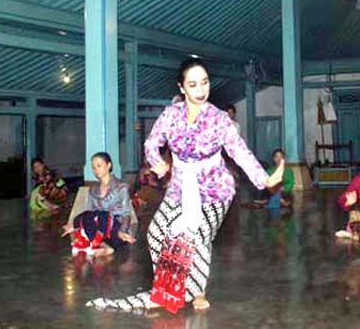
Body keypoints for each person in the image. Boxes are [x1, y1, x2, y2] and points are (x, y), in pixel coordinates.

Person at [87, 57, 283, 314]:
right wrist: (157, 162)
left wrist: (264, 179)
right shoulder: (171, 115)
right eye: (193, 84)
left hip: (214, 191)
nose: (201, 90)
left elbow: (240, 152)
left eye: (205, 83)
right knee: (156, 233)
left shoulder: (218, 119)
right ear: (182, 88)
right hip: (180, 186)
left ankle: (198, 290)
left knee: (196, 235)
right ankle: (171, 285)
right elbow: (151, 144)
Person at [62, 152, 135, 257]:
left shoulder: (121, 187)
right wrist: (74, 225)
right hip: (99, 227)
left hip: (115, 226)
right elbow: (88, 212)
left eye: (99, 166)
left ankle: (97, 243)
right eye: (93, 167)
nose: (96, 170)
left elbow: (126, 213)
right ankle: (103, 245)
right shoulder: (93, 190)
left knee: (104, 217)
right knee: (84, 217)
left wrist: (122, 231)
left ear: (108, 165)